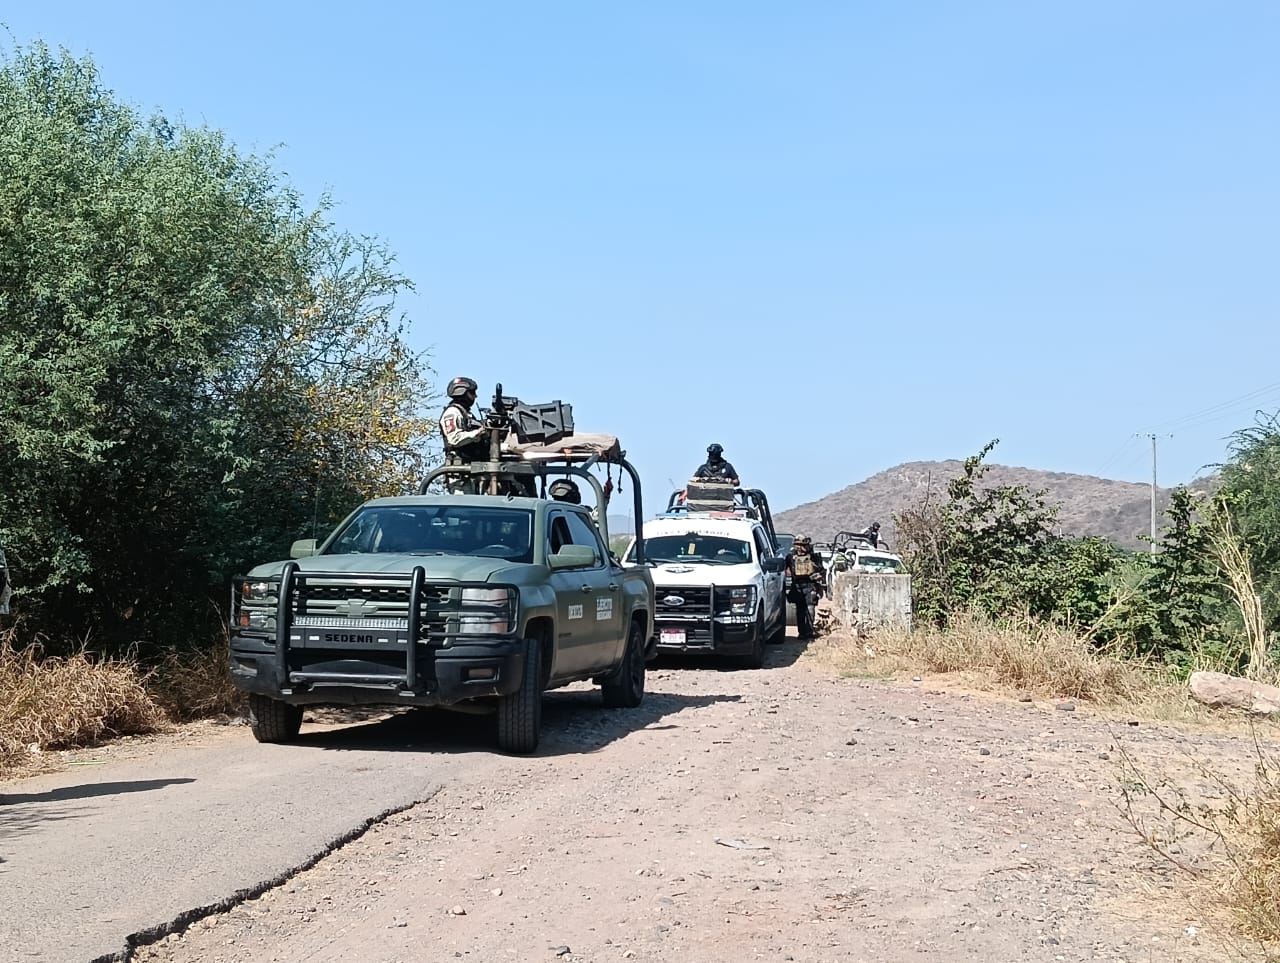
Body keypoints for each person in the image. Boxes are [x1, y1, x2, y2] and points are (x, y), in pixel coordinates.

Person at [785, 534, 825, 640]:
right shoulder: (790, 557)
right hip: (798, 586)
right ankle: (803, 633)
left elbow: (821, 571)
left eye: (803, 545)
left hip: (810, 585)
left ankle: (808, 631)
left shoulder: (813, 557)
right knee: (801, 610)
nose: (801, 548)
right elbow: (785, 570)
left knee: (809, 608)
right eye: (799, 545)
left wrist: (818, 579)